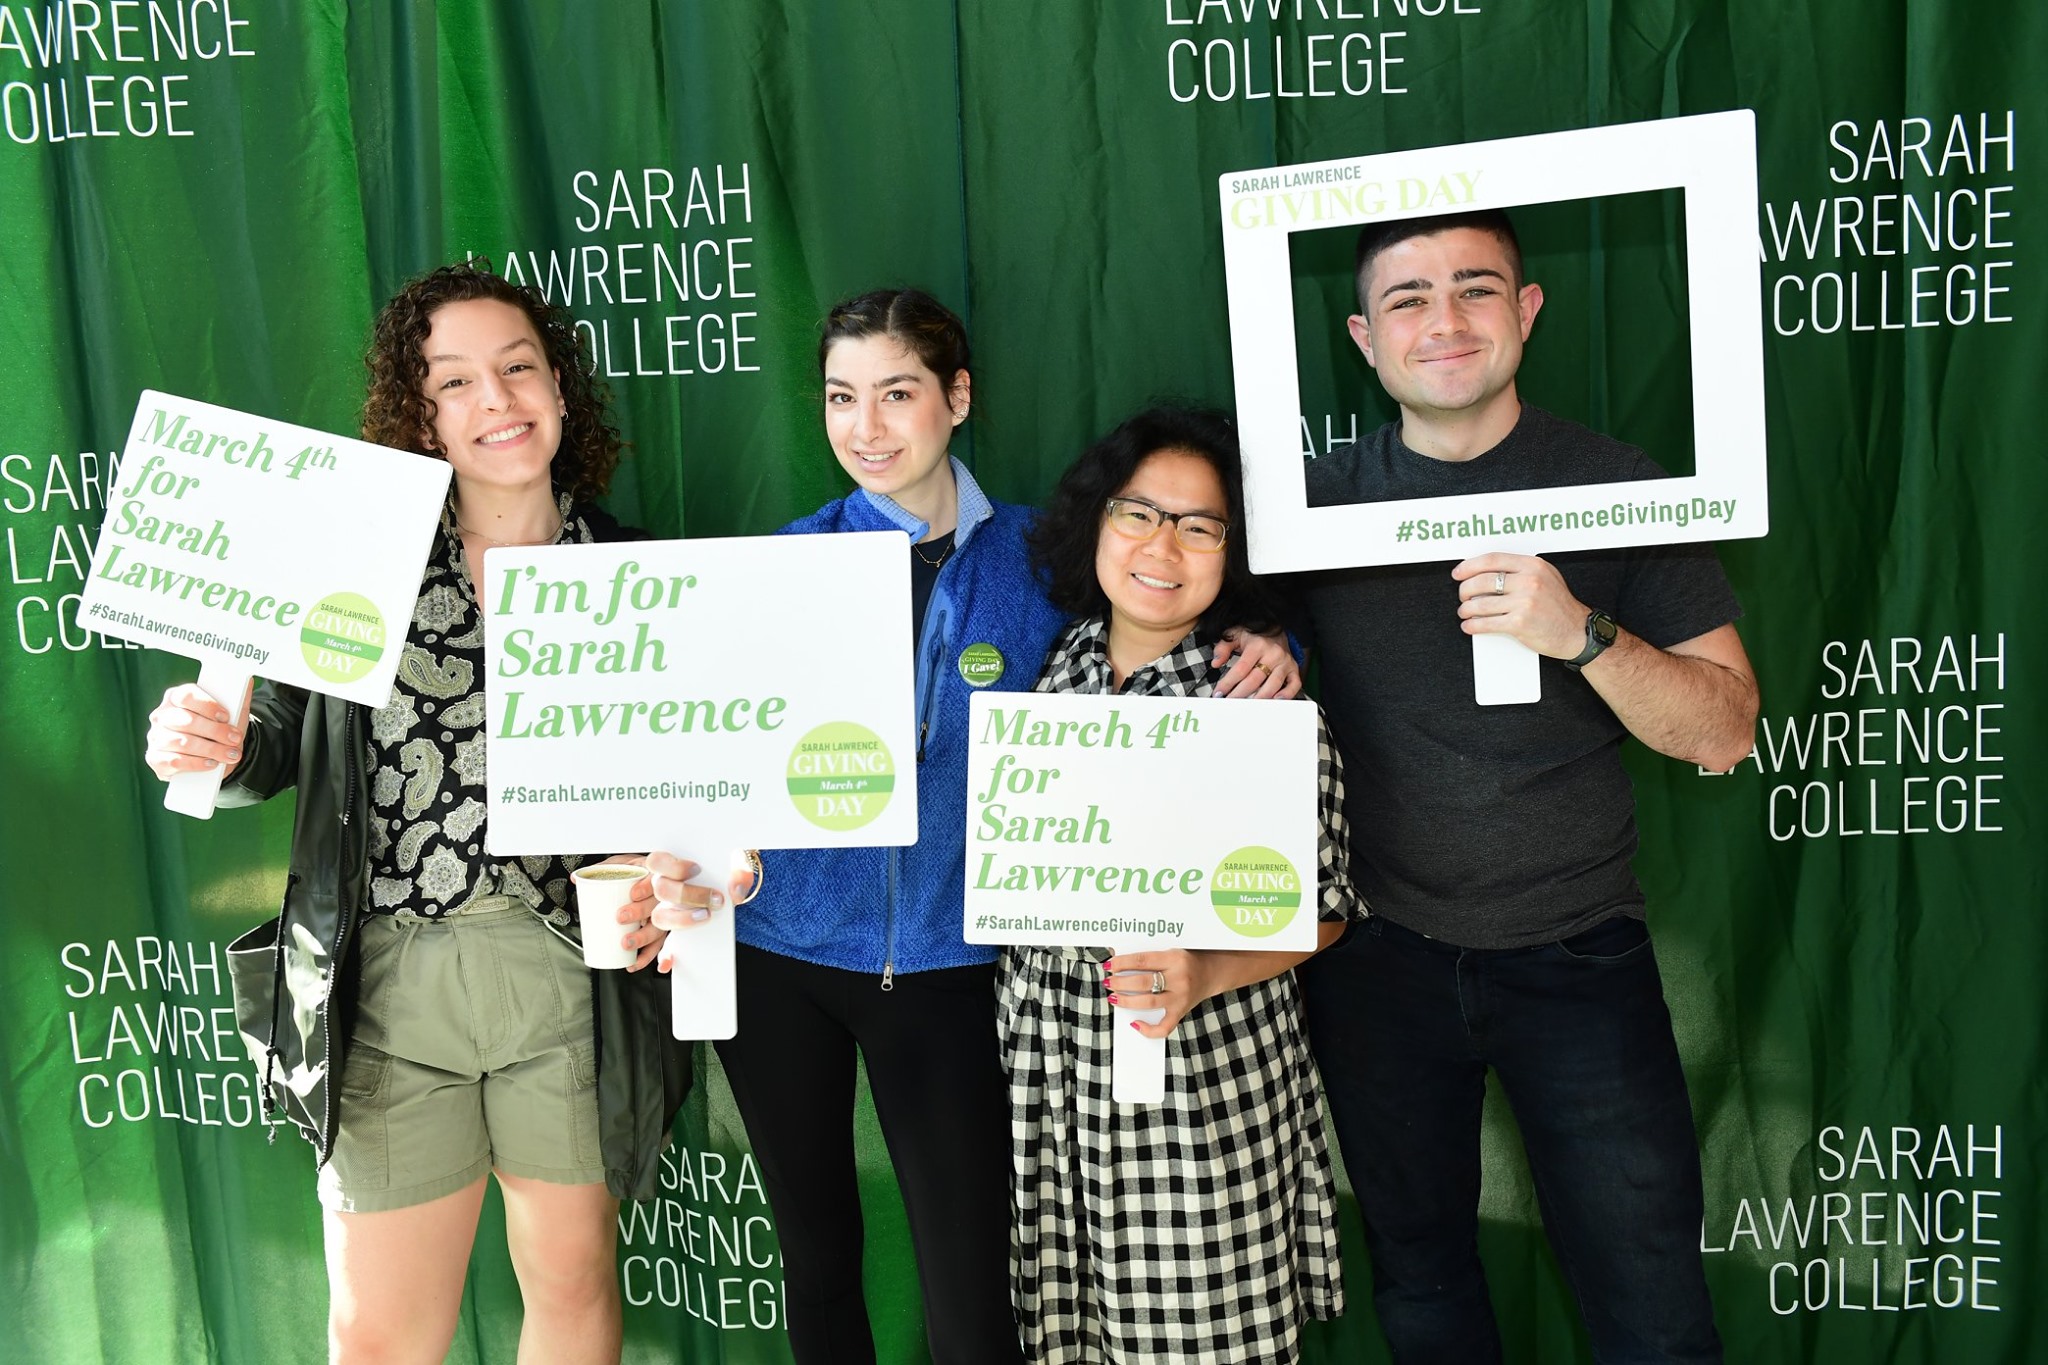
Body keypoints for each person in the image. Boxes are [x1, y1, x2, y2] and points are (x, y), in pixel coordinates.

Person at [646, 288, 1301, 1365]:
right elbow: (712, 756)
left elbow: (1171, 611)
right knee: (813, 1260)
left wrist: (1277, 638)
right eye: (840, 398)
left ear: (956, 400)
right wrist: (701, 854)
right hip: (779, 959)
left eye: (896, 394)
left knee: (970, 1288)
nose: (866, 427)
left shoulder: (1047, 562)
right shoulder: (781, 562)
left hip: (957, 966)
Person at [143, 261, 685, 1365]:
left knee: (575, 1291)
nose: (497, 400)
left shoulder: (635, 571)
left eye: (518, 368)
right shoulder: (355, 564)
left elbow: (699, 783)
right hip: (386, 987)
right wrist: (214, 741)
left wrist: (705, 869)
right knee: (380, 1335)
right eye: (456, 383)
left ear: (561, 390)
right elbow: (272, 743)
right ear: (421, 416)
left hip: (565, 983)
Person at [1295, 209, 1760, 1364]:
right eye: (1406, 299)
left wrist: (1580, 632)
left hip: (1576, 955)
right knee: (1422, 1287)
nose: (1441, 321)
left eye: (1474, 289)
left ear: (1527, 311)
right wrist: (1256, 651)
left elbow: (1723, 732)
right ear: (1361, 336)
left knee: (1650, 1302)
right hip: (1376, 962)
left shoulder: (1614, 485)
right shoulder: (1305, 507)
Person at [998, 404, 1365, 1364]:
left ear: (1232, 551)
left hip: (1203, 1098)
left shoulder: (1256, 699)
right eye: (1139, 514)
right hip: (1052, 1086)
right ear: (1097, 524)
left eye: (1199, 525)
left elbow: (1323, 914)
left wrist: (1202, 970)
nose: (1164, 544)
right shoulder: (1055, 668)